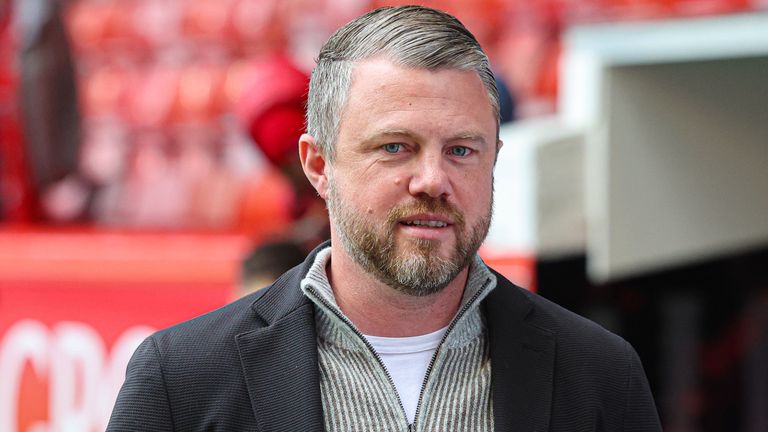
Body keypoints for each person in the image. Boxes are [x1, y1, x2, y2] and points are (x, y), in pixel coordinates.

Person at [107, 6, 662, 431]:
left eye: (462, 150)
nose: (432, 179)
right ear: (318, 166)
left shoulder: (599, 376)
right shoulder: (181, 381)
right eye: (396, 147)